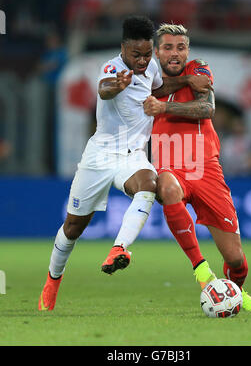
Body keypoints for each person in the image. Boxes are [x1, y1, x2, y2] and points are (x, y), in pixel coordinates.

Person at [38, 16, 211, 311]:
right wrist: (117, 86)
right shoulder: (111, 69)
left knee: (149, 184)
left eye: (146, 53)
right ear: (123, 49)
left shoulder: (151, 66)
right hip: (100, 156)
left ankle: (119, 248)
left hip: (133, 156)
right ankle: (52, 281)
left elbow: (157, 89)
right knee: (73, 227)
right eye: (136, 55)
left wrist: (184, 80)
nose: (142, 60)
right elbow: (104, 88)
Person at [143, 23, 251, 312]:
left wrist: (164, 107)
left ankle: (233, 291)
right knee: (168, 187)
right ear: (156, 52)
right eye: (168, 47)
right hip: (169, 164)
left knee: (236, 260)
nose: (175, 53)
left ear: (187, 51)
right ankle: (201, 271)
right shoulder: (145, 78)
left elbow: (207, 109)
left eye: (181, 47)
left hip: (206, 168)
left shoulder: (199, 68)